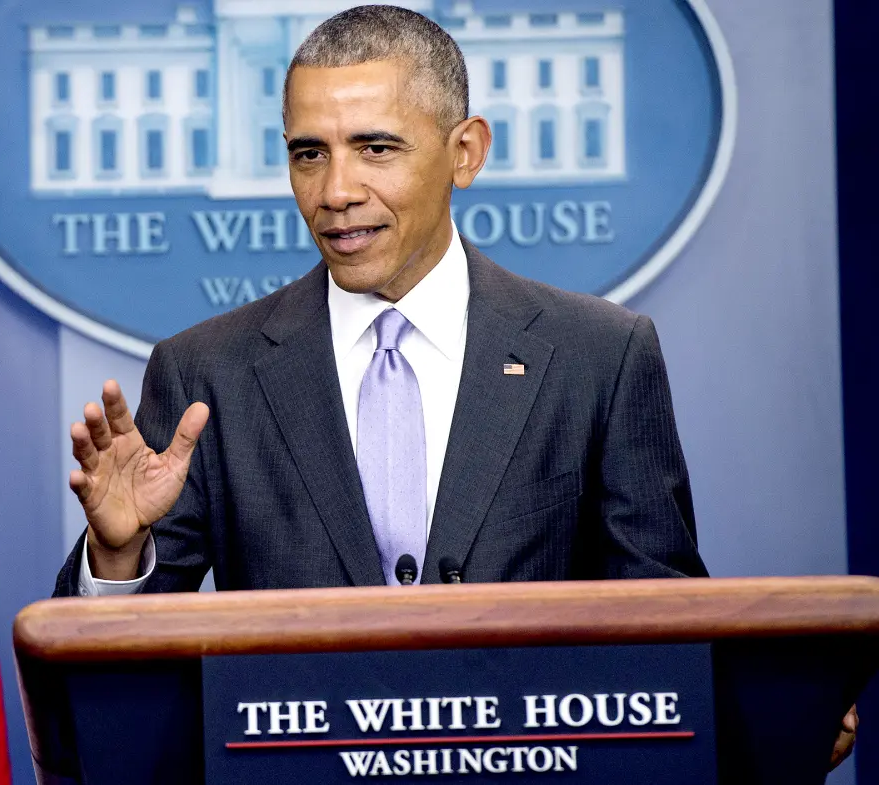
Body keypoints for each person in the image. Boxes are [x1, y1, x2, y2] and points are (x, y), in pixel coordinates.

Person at [51, 5, 856, 767]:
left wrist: (763, 713)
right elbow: (119, 673)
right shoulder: (207, 372)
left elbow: (662, 616)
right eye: (309, 153)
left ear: (465, 151)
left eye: (376, 148)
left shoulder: (598, 355)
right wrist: (120, 553)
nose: (335, 191)